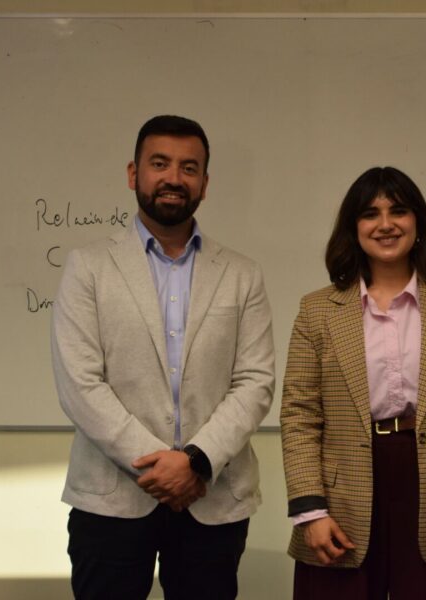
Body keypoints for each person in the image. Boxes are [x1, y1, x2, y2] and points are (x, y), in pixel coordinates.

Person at [51, 115, 275, 600]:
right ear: (134, 174)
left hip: (212, 495)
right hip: (111, 499)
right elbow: (80, 383)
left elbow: (255, 382)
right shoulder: (88, 267)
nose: (174, 177)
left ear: (205, 183)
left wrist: (195, 461)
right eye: (160, 164)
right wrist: (160, 468)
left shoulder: (242, 274)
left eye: (189, 168)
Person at [280, 166, 426, 600]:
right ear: (353, 227)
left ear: (418, 221)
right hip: (342, 496)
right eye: (370, 214)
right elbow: (299, 415)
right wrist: (311, 510)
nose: (385, 224)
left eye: (398, 211)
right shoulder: (317, 310)